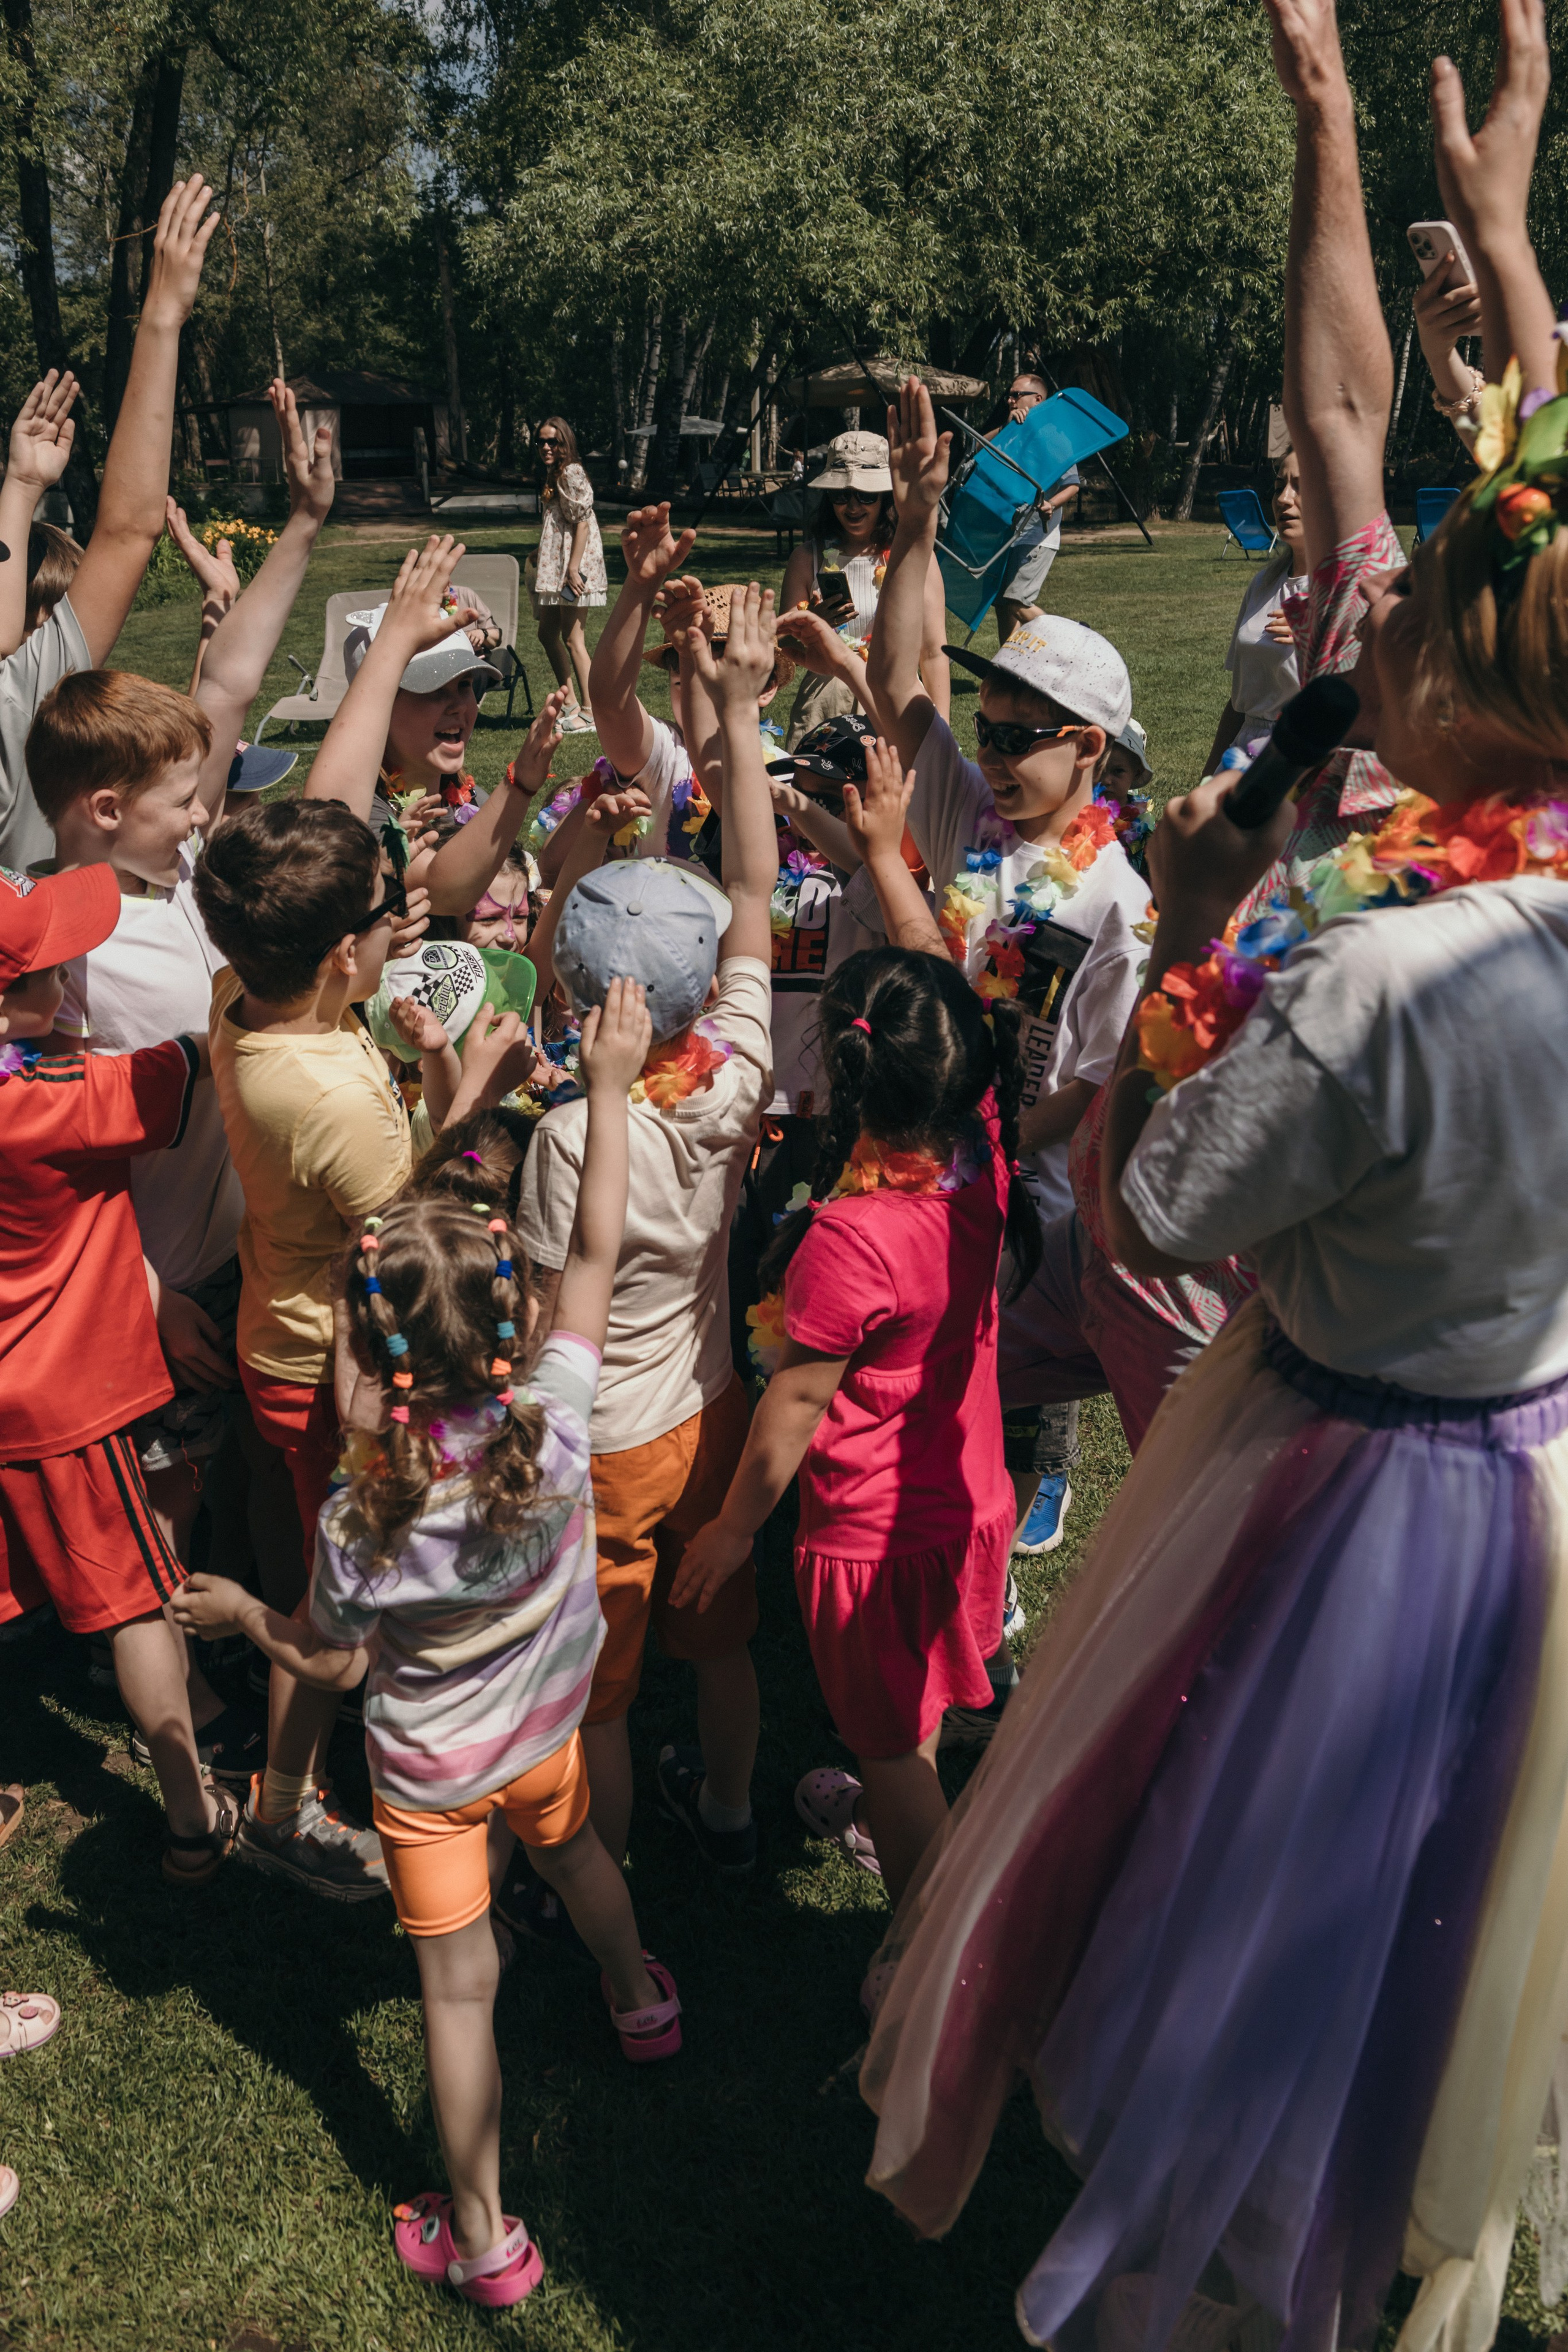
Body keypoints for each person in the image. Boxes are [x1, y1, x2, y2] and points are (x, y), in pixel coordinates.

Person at [861, 17, 1568, 2352]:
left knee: (1261, 1835)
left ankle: (1238, 2200)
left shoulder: (1384, 950)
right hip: (1521, 1431)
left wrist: (1182, 946)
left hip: (1324, 1401)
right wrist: (1362, 157)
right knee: (1458, 1872)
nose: (1346, 618)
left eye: (1396, 613)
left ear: (1443, 675)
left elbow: (1165, 1202)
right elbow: (1361, 419)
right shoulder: (1510, 795)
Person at [173, 979, 680, 2310]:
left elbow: (331, 1668)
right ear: (509, 1336)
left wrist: (239, 1615)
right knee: (575, 1862)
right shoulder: (561, 1426)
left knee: (458, 2002)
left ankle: (480, 2242)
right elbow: (594, 1252)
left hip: (436, 1786)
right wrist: (610, 1091)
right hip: (547, 1738)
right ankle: (640, 2003)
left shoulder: (365, 1515)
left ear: (364, 1355)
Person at [672, 734, 1039, 1939]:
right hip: (968, 1494)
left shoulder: (846, 1237)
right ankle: (907, 1791)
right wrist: (885, 857)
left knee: (881, 1743)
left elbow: (790, 1406)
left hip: (868, 1537)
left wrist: (731, 1531)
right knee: (914, 1706)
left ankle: (930, 1953)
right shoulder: (979, 1151)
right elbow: (940, 982)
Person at [38, 387, 337, 1634]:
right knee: (157, 1495)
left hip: (225, 1261)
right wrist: (150, 1294)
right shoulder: (61, 952)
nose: (206, 806)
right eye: (180, 799)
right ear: (104, 811)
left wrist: (307, 525)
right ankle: (173, 1680)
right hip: (142, 1284)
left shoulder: (170, 885)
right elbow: (57, 1165)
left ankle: (225, 1624)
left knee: (233, 1473)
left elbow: (234, 677)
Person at [506, 587, 779, 1901]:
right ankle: (728, 1809)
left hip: (606, 1439)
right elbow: (749, 886)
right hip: (711, 1401)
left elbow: (552, 1305)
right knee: (718, 1647)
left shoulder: (570, 1141)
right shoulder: (736, 1071)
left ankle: (600, 1871)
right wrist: (735, 709)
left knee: (600, 1699)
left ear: (572, 996)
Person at [864, 382, 1152, 1569]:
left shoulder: (1116, 904)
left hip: (1040, 1175)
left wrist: (977, 1142)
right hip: (954, 1149)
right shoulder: (976, 819)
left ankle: (1033, 1491)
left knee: (1042, 1346)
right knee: (955, 1356)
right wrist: (918, 526)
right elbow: (897, 685)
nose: (984, 751)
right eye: (982, 730)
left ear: (1087, 746)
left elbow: (1093, 1090)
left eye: (1014, 735)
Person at [192, 796, 417, 1898]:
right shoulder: (339, 1106)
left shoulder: (244, 994)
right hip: (334, 1379)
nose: (398, 926)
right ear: (340, 953)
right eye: (390, 908)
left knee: (318, 1571)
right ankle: (287, 1811)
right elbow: (413, 1257)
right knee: (337, 1611)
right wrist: (471, 1099)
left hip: (274, 1336)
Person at [0, 862, 235, 1883]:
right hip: (72, 1401)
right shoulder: (56, 1100)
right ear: (22, 999)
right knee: (137, 1603)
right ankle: (194, 1819)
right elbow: (195, 1061)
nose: (78, 973)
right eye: (59, 965)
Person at [0, 179, 219, 873]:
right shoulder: (21, 707)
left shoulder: (23, 708)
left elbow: (127, 532)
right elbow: (126, 530)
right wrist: (160, 319)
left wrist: (24, 487)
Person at [306, 535, 568, 922]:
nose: (459, 705)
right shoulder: (365, 814)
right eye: (432, 690)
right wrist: (520, 785)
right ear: (380, 706)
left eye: (466, 685)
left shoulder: (468, 797)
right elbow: (443, 890)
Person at [779, 429, 949, 745]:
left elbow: (932, 652)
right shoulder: (806, 558)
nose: (853, 507)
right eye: (841, 495)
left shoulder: (912, 558)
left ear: (886, 496)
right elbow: (783, 652)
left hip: (896, 700)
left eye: (866, 495)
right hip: (824, 706)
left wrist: (943, 732)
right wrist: (811, 627)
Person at [1204, 448, 1311, 774]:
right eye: (1280, 486)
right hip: (1243, 753)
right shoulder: (1265, 583)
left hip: (1305, 757)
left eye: (1301, 487)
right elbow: (1240, 703)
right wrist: (1209, 774)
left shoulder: (1350, 591)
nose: (1283, 499)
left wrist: (1324, 631)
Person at [992, 371, 1082, 642]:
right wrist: (1005, 429)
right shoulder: (1012, 433)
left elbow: (1073, 484)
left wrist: (1051, 504)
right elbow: (978, 449)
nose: (1010, 400)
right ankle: (1008, 668)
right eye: (1009, 396)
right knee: (1003, 604)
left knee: (1015, 601)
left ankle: (1069, 644)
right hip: (1011, 534)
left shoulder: (1053, 437)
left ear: (1038, 399)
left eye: (1016, 395)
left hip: (1038, 536)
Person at [531, 417, 605, 734]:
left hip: (573, 565)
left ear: (565, 443)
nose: (546, 447)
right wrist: (540, 552)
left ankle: (591, 712)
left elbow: (583, 524)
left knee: (574, 639)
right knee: (547, 634)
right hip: (556, 563)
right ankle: (572, 704)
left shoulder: (571, 471)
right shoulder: (556, 472)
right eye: (541, 442)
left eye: (553, 442)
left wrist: (573, 569)